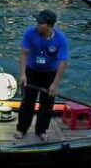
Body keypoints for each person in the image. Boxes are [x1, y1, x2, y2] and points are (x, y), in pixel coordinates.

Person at [16, 10, 69, 141]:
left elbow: (63, 61)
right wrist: (23, 74)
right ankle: (21, 128)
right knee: (27, 101)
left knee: (47, 103)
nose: (37, 25)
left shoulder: (60, 39)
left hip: (50, 73)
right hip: (32, 71)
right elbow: (23, 53)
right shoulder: (30, 33)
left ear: (49, 26)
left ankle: (41, 130)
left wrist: (55, 84)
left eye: (41, 23)